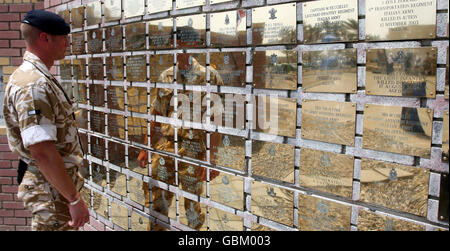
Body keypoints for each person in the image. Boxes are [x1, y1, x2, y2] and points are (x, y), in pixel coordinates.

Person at [3, 10, 89, 230]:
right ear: (45, 38)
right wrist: (74, 199)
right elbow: (42, 151)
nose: (67, 43)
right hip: (50, 192)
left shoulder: (37, 78)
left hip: (52, 187)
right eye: (63, 37)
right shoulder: (34, 85)